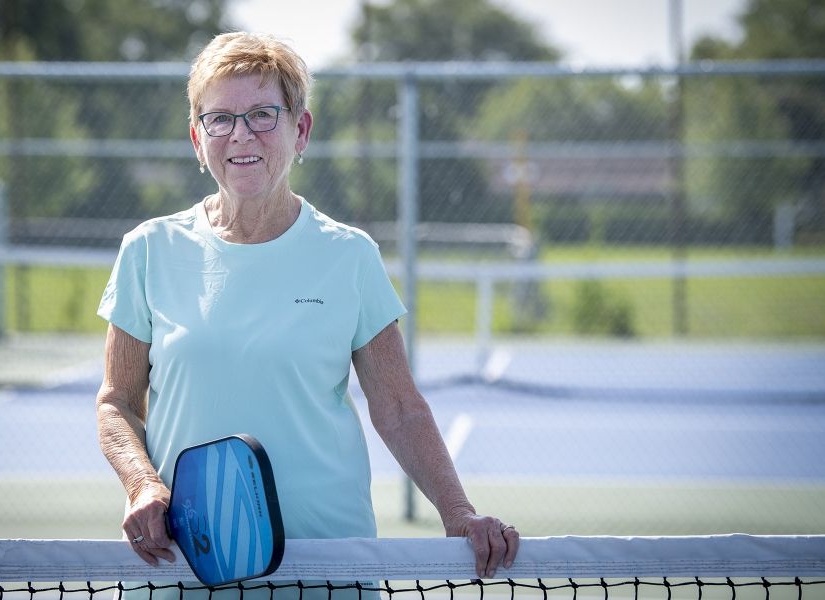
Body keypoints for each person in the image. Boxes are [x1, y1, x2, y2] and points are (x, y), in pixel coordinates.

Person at [95, 31, 519, 597]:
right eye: (219, 119)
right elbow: (117, 403)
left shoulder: (350, 255)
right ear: (198, 139)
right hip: (186, 566)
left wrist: (459, 512)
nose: (241, 134)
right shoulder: (148, 250)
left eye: (263, 115)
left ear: (301, 131)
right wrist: (141, 483)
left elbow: (397, 407)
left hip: (329, 569)